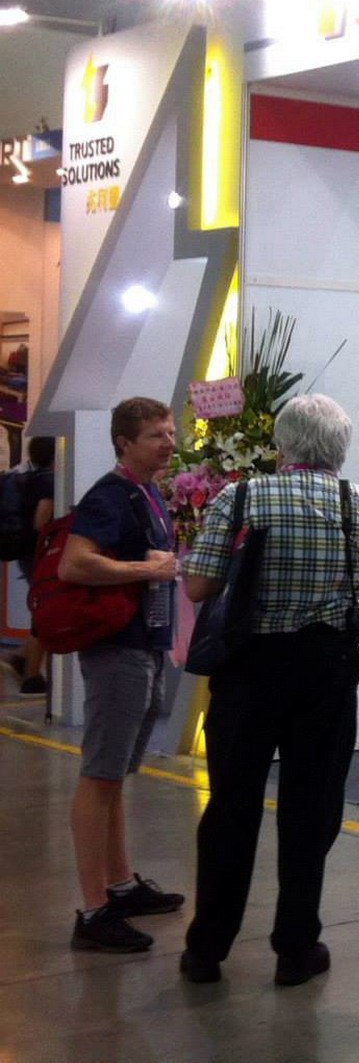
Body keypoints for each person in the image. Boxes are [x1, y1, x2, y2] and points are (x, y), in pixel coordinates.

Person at [178, 395, 359, 986]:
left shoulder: (239, 498)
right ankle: (295, 947)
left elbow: (198, 587)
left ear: (281, 444)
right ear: (341, 448)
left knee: (231, 807)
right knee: (311, 808)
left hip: (247, 670)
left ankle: (206, 950)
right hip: (325, 672)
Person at [57, 399, 185, 953]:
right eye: (156, 435)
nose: (169, 443)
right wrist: (145, 568)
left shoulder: (147, 493)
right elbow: (73, 563)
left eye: (170, 433)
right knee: (100, 775)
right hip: (116, 649)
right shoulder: (109, 496)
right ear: (124, 443)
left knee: (115, 777)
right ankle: (94, 911)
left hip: (143, 644)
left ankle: (121, 884)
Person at [4, 433, 56, 694]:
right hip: (39, 556)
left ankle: (24, 658)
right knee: (46, 612)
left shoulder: (29, 477)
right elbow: (40, 521)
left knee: (43, 611)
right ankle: (32, 675)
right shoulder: (48, 481)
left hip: (26, 554)